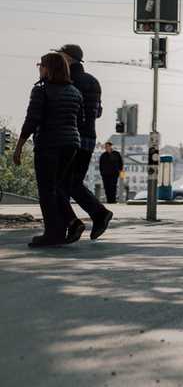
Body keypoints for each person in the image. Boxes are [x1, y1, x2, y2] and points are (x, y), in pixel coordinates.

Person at [12, 53, 85, 247]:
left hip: (49, 144)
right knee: (56, 187)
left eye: (41, 65)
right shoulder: (75, 91)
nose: (39, 68)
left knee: (46, 190)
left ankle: (52, 233)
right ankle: (69, 224)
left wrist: (19, 146)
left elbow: (31, 120)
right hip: (71, 145)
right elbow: (81, 120)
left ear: (49, 68)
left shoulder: (41, 90)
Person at [56, 44, 113, 241]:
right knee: (73, 182)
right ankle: (98, 214)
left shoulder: (67, 80)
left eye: (60, 55)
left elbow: (66, 110)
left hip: (70, 138)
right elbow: (98, 112)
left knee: (58, 183)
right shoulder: (93, 81)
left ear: (68, 58)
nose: (57, 58)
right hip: (89, 137)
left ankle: (74, 223)